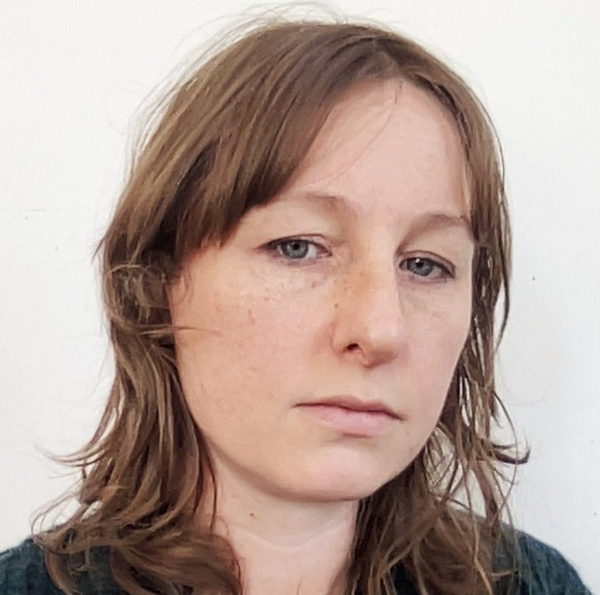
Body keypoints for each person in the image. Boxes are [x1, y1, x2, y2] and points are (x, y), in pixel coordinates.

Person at [0, 15, 591, 595]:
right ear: (158, 284)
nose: (381, 330)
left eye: (424, 264)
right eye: (298, 247)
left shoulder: (532, 586)